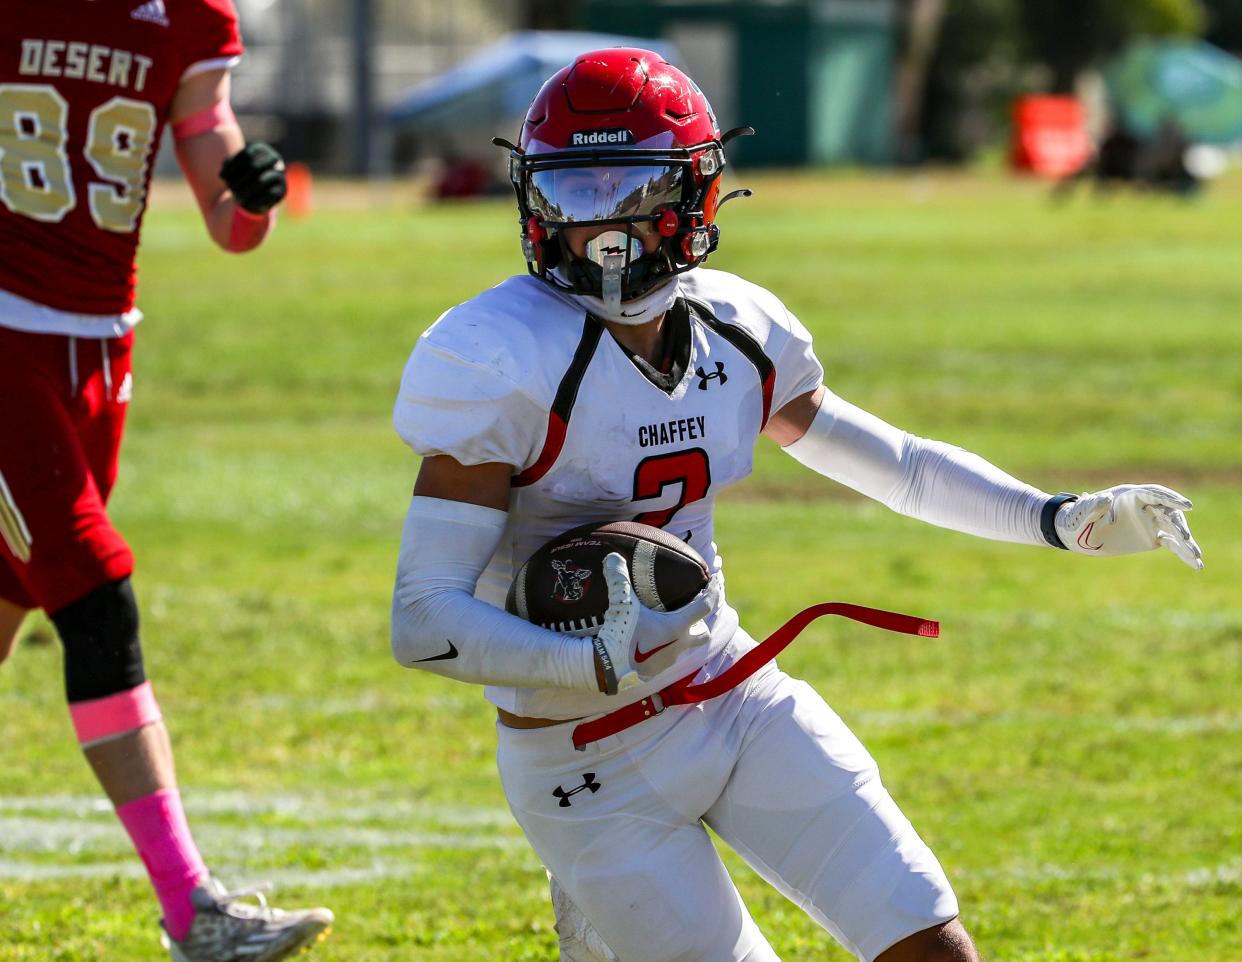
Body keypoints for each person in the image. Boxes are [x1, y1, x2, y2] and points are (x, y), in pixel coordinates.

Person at [390, 48, 1203, 962]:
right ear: (533, 203)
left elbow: (900, 466)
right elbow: (424, 622)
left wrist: (1060, 519)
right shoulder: (496, 356)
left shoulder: (737, 330)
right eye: (575, 197)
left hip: (732, 698)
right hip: (586, 762)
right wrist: (589, 664)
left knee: (932, 945)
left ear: (695, 197)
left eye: (631, 195)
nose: (603, 232)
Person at [0, 4, 332, 960]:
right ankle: (193, 910)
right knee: (97, 597)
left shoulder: (190, 15)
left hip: (99, 352)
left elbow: (230, 221)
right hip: (5, 338)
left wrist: (257, 192)